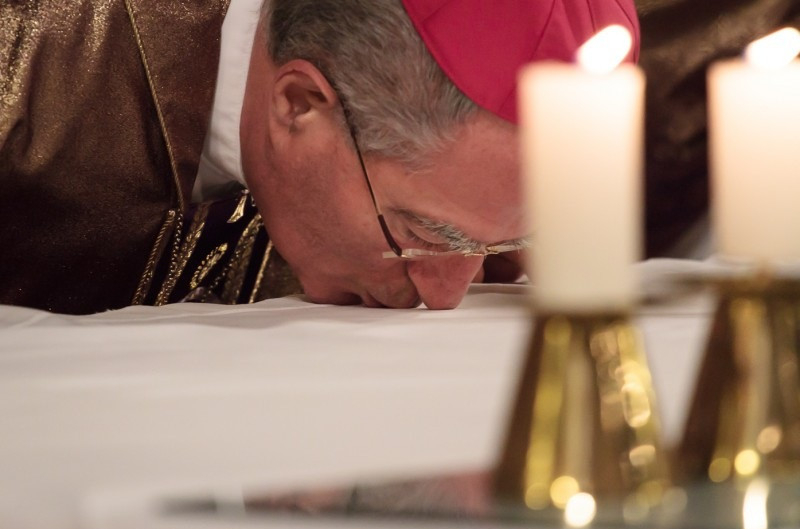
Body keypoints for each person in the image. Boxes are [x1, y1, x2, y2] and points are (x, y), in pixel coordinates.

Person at [0, 0, 639, 314]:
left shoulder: (448, 191)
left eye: (501, 245)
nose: (445, 300)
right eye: (422, 237)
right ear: (298, 104)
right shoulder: (24, 58)